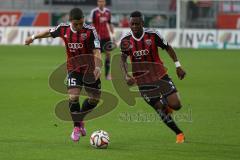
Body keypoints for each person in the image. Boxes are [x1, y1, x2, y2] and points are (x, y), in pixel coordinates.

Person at [25, 8, 102, 142]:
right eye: (75, 24)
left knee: (94, 99)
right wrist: (33, 37)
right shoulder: (63, 29)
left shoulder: (90, 31)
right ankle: (76, 127)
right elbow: (49, 33)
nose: (78, 26)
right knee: (73, 97)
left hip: (90, 70)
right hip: (74, 69)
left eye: (80, 23)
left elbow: (96, 51)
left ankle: (80, 118)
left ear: (83, 19)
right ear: (70, 21)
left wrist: (98, 67)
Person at [120, 11, 186, 143]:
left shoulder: (153, 35)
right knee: (159, 108)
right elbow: (122, 59)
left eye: (137, 24)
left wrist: (178, 66)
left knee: (176, 105)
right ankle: (179, 133)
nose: (134, 26)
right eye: (132, 24)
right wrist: (125, 75)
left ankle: (167, 104)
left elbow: (168, 47)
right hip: (143, 81)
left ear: (142, 23)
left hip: (160, 75)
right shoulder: (125, 41)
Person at [90, 0, 114, 80]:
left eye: (102, 1)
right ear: (97, 2)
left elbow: (110, 23)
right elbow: (92, 24)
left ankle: (107, 75)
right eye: (99, 1)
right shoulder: (94, 12)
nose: (101, 3)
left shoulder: (108, 12)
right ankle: (95, 73)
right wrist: (93, 35)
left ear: (105, 3)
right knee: (96, 55)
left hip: (106, 37)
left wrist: (113, 34)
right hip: (97, 37)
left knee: (108, 54)